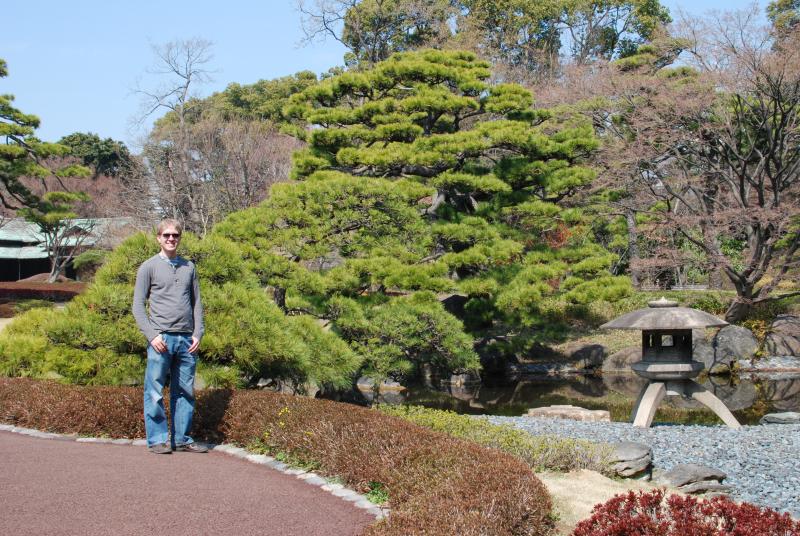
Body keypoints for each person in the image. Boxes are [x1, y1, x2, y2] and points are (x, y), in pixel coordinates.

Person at [132, 219, 207, 454]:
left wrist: (198, 333)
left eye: (175, 235)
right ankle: (157, 440)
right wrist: (152, 335)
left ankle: (183, 439)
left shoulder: (189, 267)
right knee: (154, 391)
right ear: (158, 238)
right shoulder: (148, 267)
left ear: (180, 238)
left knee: (185, 391)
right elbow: (137, 306)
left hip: (186, 340)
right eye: (166, 235)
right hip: (161, 339)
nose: (171, 239)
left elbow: (197, 303)